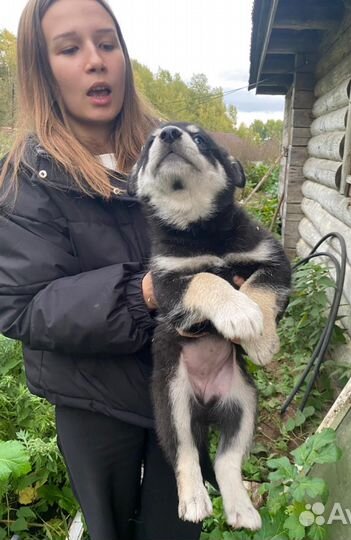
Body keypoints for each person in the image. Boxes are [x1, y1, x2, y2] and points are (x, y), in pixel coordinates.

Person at [0, 1, 208, 538]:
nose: (97, 61)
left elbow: (218, 233)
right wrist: (145, 293)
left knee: (179, 526)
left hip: (186, 386)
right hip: (94, 400)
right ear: (42, 71)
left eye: (107, 43)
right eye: (70, 49)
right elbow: (23, 305)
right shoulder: (28, 177)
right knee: (111, 527)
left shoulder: (170, 151)